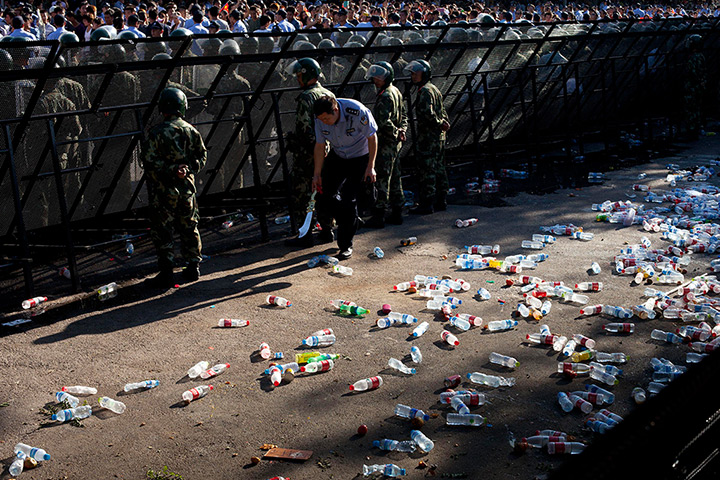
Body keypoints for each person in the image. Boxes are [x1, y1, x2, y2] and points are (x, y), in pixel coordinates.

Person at [142, 88, 207, 287]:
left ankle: (167, 272)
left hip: (164, 191)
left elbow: (149, 161)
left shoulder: (156, 132)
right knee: (189, 226)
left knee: (163, 230)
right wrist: (186, 170)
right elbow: (202, 156)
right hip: (187, 189)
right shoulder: (191, 130)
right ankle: (193, 266)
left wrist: (171, 169)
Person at [312, 95, 377, 260]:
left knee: (348, 200)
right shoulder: (319, 118)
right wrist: (317, 174)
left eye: (327, 118)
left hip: (360, 156)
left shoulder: (355, 111)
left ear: (335, 110)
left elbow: (372, 137)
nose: (324, 122)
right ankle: (352, 220)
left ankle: (345, 245)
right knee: (324, 195)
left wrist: (370, 167)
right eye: (322, 119)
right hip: (339, 155)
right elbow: (320, 146)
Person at [284, 57, 335, 248]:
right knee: (324, 192)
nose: (297, 79)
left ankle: (304, 234)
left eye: (299, 75)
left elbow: (306, 131)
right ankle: (327, 229)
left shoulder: (307, 97)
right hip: (327, 151)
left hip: (309, 155)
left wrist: (296, 144)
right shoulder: (327, 93)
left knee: (303, 193)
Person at [364, 61, 407, 228]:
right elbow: (403, 116)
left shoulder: (385, 95)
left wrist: (396, 131)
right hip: (395, 143)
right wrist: (402, 131)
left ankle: (379, 214)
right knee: (395, 177)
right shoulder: (395, 91)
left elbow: (382, 121)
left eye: (379, 77)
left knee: (383, 178)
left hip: (385, 143)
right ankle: (397, 211)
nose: (376, 80)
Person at [404, 59, 449, 215]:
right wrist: (443, 124)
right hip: (437, 137)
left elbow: (428, 114)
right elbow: (442, 111)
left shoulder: (424, 91)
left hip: (428, 138)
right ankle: (441, 199)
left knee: (427, 170)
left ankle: (427, 203)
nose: (413, 76)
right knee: (439, 168)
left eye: (416, 73)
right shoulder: (433, 89)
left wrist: (438, 123)